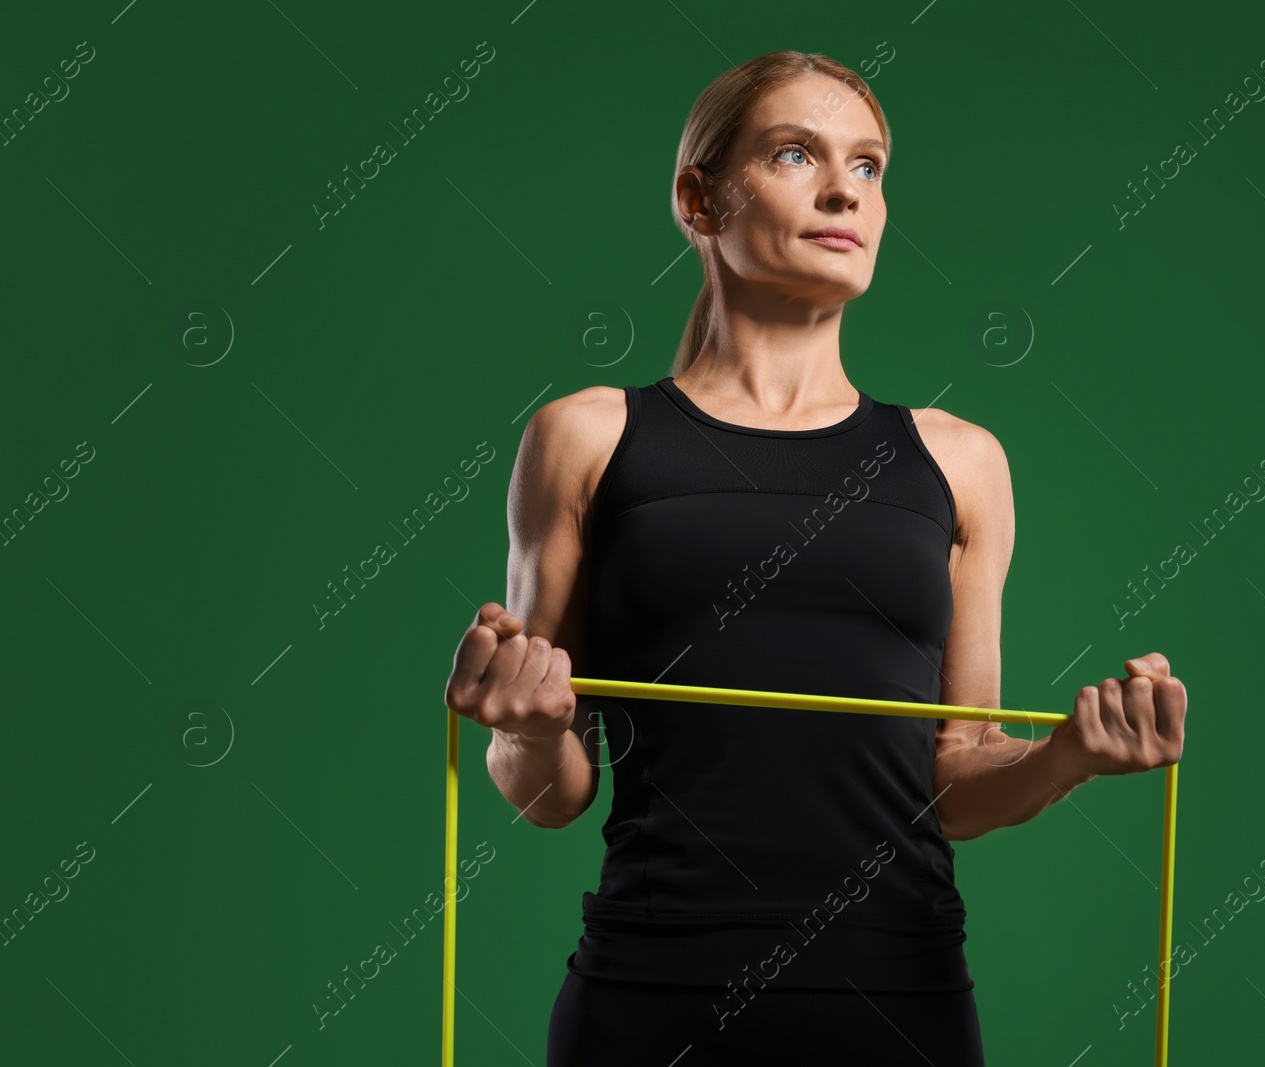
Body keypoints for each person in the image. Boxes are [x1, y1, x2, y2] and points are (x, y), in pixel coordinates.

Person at [443, 49, 1187, 1066]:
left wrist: (1071, 756)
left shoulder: (960, 460)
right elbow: (549, 789)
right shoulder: (585, 436)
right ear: (699, 196)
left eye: (870, 165)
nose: (845, 188)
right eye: (795, 153)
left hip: (899, 998)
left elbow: (956, 775)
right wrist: (523, 729)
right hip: (651, 992)